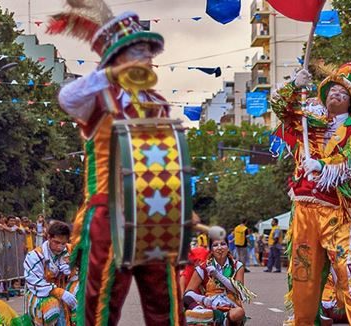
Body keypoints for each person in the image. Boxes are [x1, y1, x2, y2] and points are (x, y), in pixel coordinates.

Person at [51, 2, 183, 324]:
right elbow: (66, 98)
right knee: (100, 303)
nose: (150, 59)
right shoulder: (99, 97)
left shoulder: (159, 104)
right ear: (118, 59)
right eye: (140, 52)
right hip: (109, 212)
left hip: (155, 213)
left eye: (150, 52)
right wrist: (107, 74)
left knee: (163, 300)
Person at [270, 62, 351, 325]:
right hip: (304, 209)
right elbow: (280, 108)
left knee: (347, 268)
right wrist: (295, 85)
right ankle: (304, 321)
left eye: (343, 93)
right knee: (304, 272)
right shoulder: (307, 119)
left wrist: (322, 166)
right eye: (332, 90)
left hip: (335, 211)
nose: (335, 95)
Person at [183, 237, 254, 326]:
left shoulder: (237, 266)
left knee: (239, 313)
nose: (220, 248)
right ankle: (210, 315)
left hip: (231, 307)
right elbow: (188, 293)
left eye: (223, 244)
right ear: (211, 250)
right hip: (209, 306)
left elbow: (239, 290)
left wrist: (217, 275)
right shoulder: (203, 268)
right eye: (215, 245)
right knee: (185, 300)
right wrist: (205, 300)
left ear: (228, 247)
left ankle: (216, 318)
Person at [24, 221, 76, 326]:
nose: (60, 247)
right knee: (51, 308)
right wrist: (59, 292)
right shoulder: (35, 256)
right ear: (48, 238)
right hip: (40, 293)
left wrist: (72, 271)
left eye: (63, 243)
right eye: (56, 242)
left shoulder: (71, 251)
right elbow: (35, 282)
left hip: (65, 289)